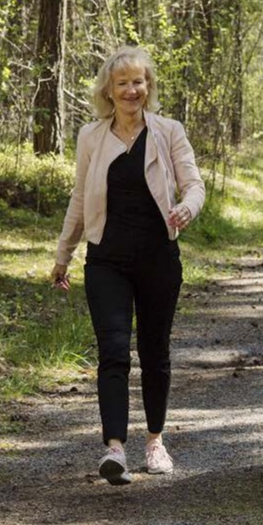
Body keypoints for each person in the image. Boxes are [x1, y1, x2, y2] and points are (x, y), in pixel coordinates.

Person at [51, 46, 205, 485]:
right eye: (123, 83)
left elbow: (194, 184)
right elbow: (79, 200)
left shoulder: (168, 132)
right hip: (106, 260)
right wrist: (64, 255)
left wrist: (187, 209)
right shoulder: (90, 137)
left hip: (159, 257)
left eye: (139, 82)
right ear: (109, 90)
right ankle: (114, 448)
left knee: (154, 352)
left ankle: (155, 442)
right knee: (114, 352)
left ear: (148, 87)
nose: (131, 90)